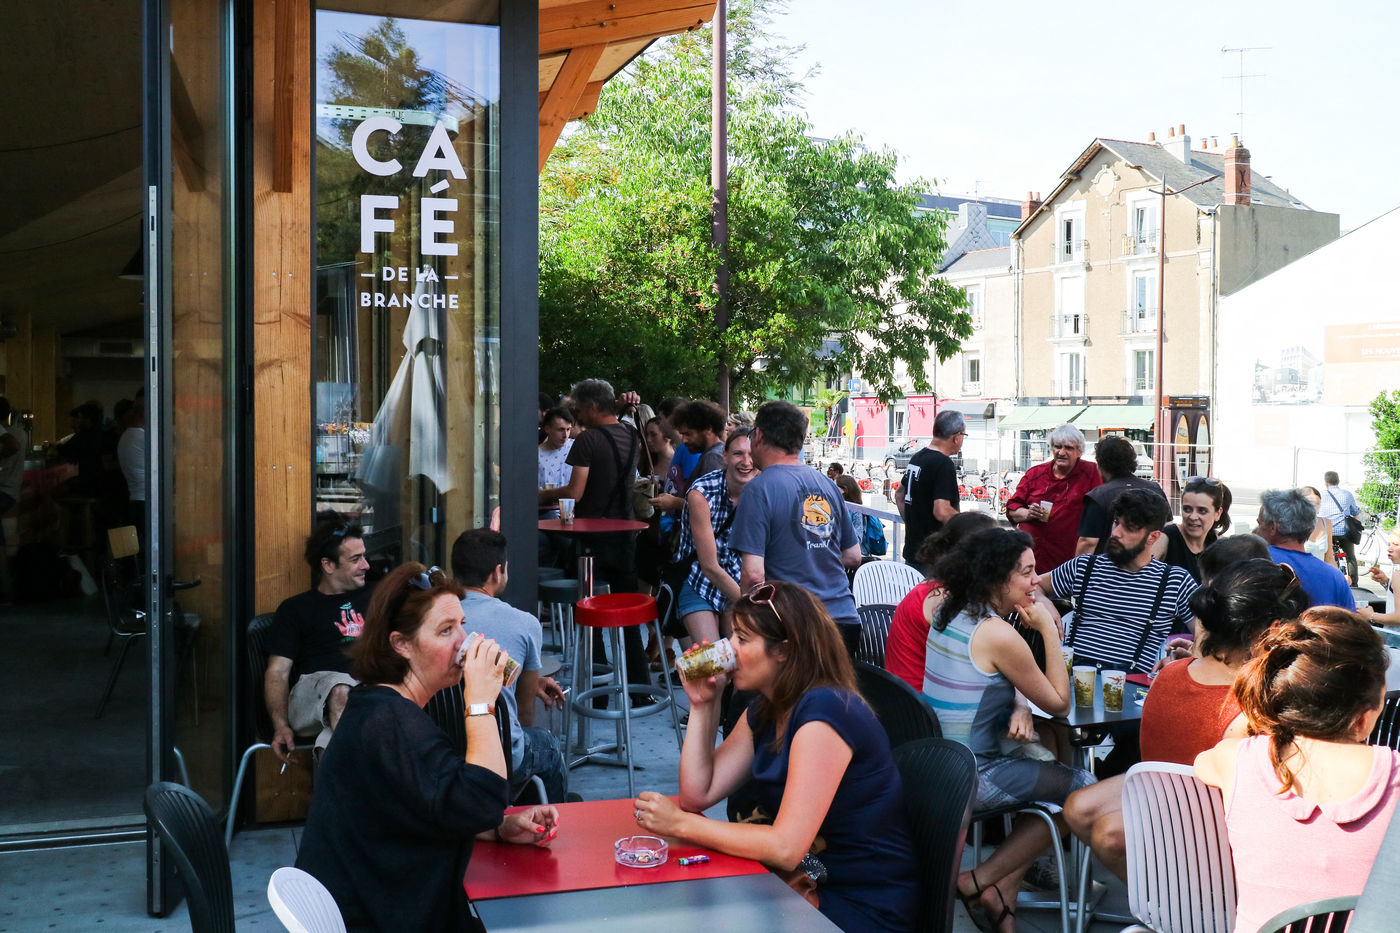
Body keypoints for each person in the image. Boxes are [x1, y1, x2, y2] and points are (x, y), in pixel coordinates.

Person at [632, 581, 917, 932]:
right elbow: (697, 794)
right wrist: (704, 704)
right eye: (732, 635)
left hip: (857, 903)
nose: (728, 649)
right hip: (801, 885)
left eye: (742, 639)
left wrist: (680, 824)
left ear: (784, 650)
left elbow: (786, 847)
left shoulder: (826, 711)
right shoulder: (768, 708)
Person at [296, 563, 559, 931]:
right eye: (445, 630)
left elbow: (422, 806)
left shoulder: (377, 707)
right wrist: (480, 702)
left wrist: (498, 828)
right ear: (401, 644)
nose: (464, 642)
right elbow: (483, 800)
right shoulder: (390, 724)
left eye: (462, 625)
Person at [1064, 559, 1308, 881]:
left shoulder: (1169, 676)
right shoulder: (1260, 705)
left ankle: (1160, 898)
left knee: (1088, 811)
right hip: (1223, 847)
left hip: (1164, 821)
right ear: (1273, 631)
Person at [923, 527, 1092, 932]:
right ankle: (977, 880)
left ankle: (1002, 894)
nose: (1036, 582)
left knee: (1044, 755)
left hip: (936, 763)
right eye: (1027, 572)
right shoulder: (998, 633)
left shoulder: (947, 609)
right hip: (972, 776)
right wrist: (1048, 629)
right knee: (1084, 791)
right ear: (997, 576)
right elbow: (1059, 703)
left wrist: (1018, 704)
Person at [1195, 609, 1400, 933]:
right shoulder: (1393, 775)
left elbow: (1202, 762)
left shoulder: (1235, 759)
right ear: (1364, 718)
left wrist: (1271, 718)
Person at [730, 401, 862, 650]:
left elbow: (754, 575)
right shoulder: (828, 485)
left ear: (758, 435)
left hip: (793, 624)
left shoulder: (758, 489)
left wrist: (742, 626)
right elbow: (853, 556)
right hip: (844, 621)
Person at [450, 528, 569, 803]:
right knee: (548, 745)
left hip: (443, 747)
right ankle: (550, 819)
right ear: (497, 572)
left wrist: (523, 682)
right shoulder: (524, 623)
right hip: (499, 755)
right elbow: (524, 715)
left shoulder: (436, 618)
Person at [1043, 488, 1199, 675]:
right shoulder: (1085, 567)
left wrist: (1185, 657)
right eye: (1116, 522)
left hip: (1132, 685)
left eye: (1129, 527)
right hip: (1072, 679)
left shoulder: (1175, 581)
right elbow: (1031, 586)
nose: (1116, 533)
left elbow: (1212, 636)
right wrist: (1044, 602)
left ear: (1153, 537)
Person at [264, 513, 374, 760]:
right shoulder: (296, 609)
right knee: (341, 691)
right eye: (355, 559)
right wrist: (280, 725)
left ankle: (336, 783)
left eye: (364, 556)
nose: (366, 565)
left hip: (363, 694)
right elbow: (277, 672)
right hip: (313, 694)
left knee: (333, 735)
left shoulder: (376, 597)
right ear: (328, 565)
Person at [884, 511, 996, 690]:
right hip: (921, 701)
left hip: (901, 697)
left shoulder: (933, 588)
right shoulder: (948, 599)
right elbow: (988, 662)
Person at [673, 428, 757, 645]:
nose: (746, 461)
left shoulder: (762, 490)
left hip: (738, 582)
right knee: (712, 662)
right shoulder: (702, 493)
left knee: (744, 658)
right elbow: (709, 566)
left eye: (751, 454)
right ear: (725, 457)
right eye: (738, 453)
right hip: (698, 580)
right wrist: (751, 604)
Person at [1005, 423, 1102, 574]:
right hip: (1033, 559)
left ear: (1079, 451)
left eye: (1068, 448)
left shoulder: (1092, 473)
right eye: (1057, 447)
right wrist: (1028, 513)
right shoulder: (1035, 474)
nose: (1061, 452)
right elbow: (1012, 509)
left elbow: (1104, 506)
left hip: (1069, 562)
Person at [1255, 488, 1356, 610]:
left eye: (1260, 524)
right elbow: (1349, 619)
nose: (1257, 530)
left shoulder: (1254, 564)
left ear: (1273, 527)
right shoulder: (1336, 578)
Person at [1075, 435, 1166, 556]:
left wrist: (1079, 567)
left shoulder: (1098, 496)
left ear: (1100, 464)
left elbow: (1088, 542)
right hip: (1149, 563)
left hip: (1108, 565)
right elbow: (1166, 532)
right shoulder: (1155, 490)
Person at [898, 410, 965, 568]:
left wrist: (913, 524)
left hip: (913, 551)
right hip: (934, 558)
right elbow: (942, 510)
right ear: (956, 437)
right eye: (964, 435)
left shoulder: (917, 457)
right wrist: (968, 526)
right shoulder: (943, 464)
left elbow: (900, 494)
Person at [1150, 477, 1232, 582]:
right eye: (1187, 509)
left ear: (1218, 513)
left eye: (1202, 511)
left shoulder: (1220, 544)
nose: (1193, 517)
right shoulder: (1165, 538)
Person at [1319, 471, 1363, 585]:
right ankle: (1354, 584)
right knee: (1350, 557)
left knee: (1324, 556)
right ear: (1338, 481)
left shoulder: (1320, 495)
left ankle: (1325, 581)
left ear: (1326, 483)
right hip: (1344, 532)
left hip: (1327, 533)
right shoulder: (1347, 494)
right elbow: (1355, 512)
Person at [0, 397, 23, 605]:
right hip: (11, 492)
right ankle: (7, 590)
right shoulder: (19, 432)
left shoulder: (7, 433)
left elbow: (13, 446)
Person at [670, 400, 727, 480]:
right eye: (682, 434)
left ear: (708, 429)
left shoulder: (712, 458)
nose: (684, 440)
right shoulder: (714, 454)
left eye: (688, 434)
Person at [536, 406, 574, 520]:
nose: (565, 435)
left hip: (573, 510)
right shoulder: (535, 455)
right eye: (560, 430)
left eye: (568, 429)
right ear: (548, 429)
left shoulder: (576, 447)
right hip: (546, 512)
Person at [834, 474, 884, 560]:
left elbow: (857, 539)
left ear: (843, 490)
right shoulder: (837, 507)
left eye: (834, 486)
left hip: (856, 555)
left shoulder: (856, 511)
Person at [1358, 529, 1400, 626]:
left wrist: (1370, 615)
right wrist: (1387, 583)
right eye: (1389, 544)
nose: (1389, 549)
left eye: (1396, 544)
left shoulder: (1398, 575)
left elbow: (1398, 618)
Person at [1300, 485, 1337, 566]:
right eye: (1310, 503)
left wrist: (1337, 573)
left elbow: (1329, 558)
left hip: (1320, 572)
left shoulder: (1326, 523)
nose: (1314, 507)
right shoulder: (1292, 524)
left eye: (1317, 503)